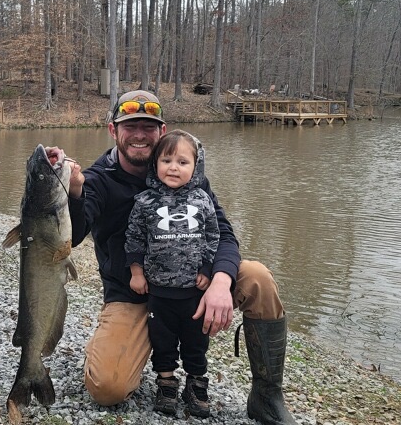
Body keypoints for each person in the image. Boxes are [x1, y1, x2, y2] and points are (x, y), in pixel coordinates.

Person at [55, 89, 298, 424]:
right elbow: (74, 233)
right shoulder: (99, 180)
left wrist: (219, 279)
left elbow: (223, 233)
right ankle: (130, 350)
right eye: (130, 126)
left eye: (148, 127)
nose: (139, 135)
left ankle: (267, 395)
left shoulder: (190, 176)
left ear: (162, 131)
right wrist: (75, 190)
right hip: (135, 293)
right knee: (107, 388)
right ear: (113, 131)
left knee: (257, 278)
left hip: (193, 282)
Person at [125, 129, 220, 417]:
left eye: (182, 162)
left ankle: (196, 383)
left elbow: (213, 236)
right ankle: (166, 383)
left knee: (196, 341)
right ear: (155, 164)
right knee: (162, 340)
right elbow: (134, 239)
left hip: (193, 291)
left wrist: (207, 268)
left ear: (196, 166)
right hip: (159, 292)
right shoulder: (144, 202)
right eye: (166, 160)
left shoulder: (203, 200)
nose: (174, 168)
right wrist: (136, 272)